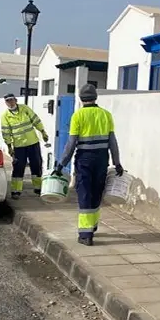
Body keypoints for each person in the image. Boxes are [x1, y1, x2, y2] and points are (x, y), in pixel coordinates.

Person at [53, 84, 123, 246]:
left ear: (80, 98)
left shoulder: (78, 116)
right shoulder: (106, 115)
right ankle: (93, 226)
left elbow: (70, 145)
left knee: (84, 193)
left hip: (84, 160)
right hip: (101, 159)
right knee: (97, 192)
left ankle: (85, 234)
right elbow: (113, 141)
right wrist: (117, 162)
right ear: (95, 97)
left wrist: (60, 165)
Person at [0, 93, 48, 199]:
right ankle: (16, 191)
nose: (10, 103)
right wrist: (9, 147)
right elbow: (6, 132)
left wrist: (42, 131)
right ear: (6, 103)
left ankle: (38, 188)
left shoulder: (25, 109)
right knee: (18, 167)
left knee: (36, 164)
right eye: (8, 101)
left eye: (11, 100)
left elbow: (36, 120)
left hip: (33, 143)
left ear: (15, 100)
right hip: (19, 146)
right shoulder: (5, 117)